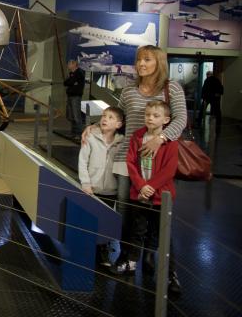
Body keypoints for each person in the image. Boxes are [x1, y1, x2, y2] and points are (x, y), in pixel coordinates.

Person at [82, 45, 187, 276]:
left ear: (158, 62)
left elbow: (181, 120)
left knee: (155, 212)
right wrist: (94, 126)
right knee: (128, 213)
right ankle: (127, 255)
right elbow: (117, 118)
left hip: (158, 162)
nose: (141, 64)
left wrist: (160, 139)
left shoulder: (173, 88)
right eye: (139, 60)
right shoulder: (129, 89)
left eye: (147, 59)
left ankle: (149, 254)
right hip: (126, 160)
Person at [116, 100, 181, 295]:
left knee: (163, 236)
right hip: (140, 194)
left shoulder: (170, 142)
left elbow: (170, 169)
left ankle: (171, 274)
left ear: (166, 119)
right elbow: (131, 162)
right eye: (147, 115)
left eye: (155, 115)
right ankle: (132, 262)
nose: (150, 118)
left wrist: (151, 186)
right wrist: (141, 185)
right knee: (137, 230)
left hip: (160, 196)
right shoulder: (137, 136)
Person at [78, 106, 125, 267]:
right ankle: (86, 251)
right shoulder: (90, 137)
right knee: (89, 221)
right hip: (92, 189)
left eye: (111, 117)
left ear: (119, 124)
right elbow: (83, 161)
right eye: (104, 116)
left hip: (111, 191)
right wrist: (85, 183)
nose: (105, 119)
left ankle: (103, 251)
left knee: (105, 222)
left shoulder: (122, 142)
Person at [64, 59, 85, 138]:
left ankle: (79, 134)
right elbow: (66, 83)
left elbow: (70, 82)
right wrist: (71, 82)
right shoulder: (71, 73)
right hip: (70, 96)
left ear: (74, 64)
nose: (68, 66)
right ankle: (73, 132)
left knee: (76, 115)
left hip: (76, 96)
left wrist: (71, 82)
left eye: (69, 64)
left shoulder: (79, 73)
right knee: (70, 115)